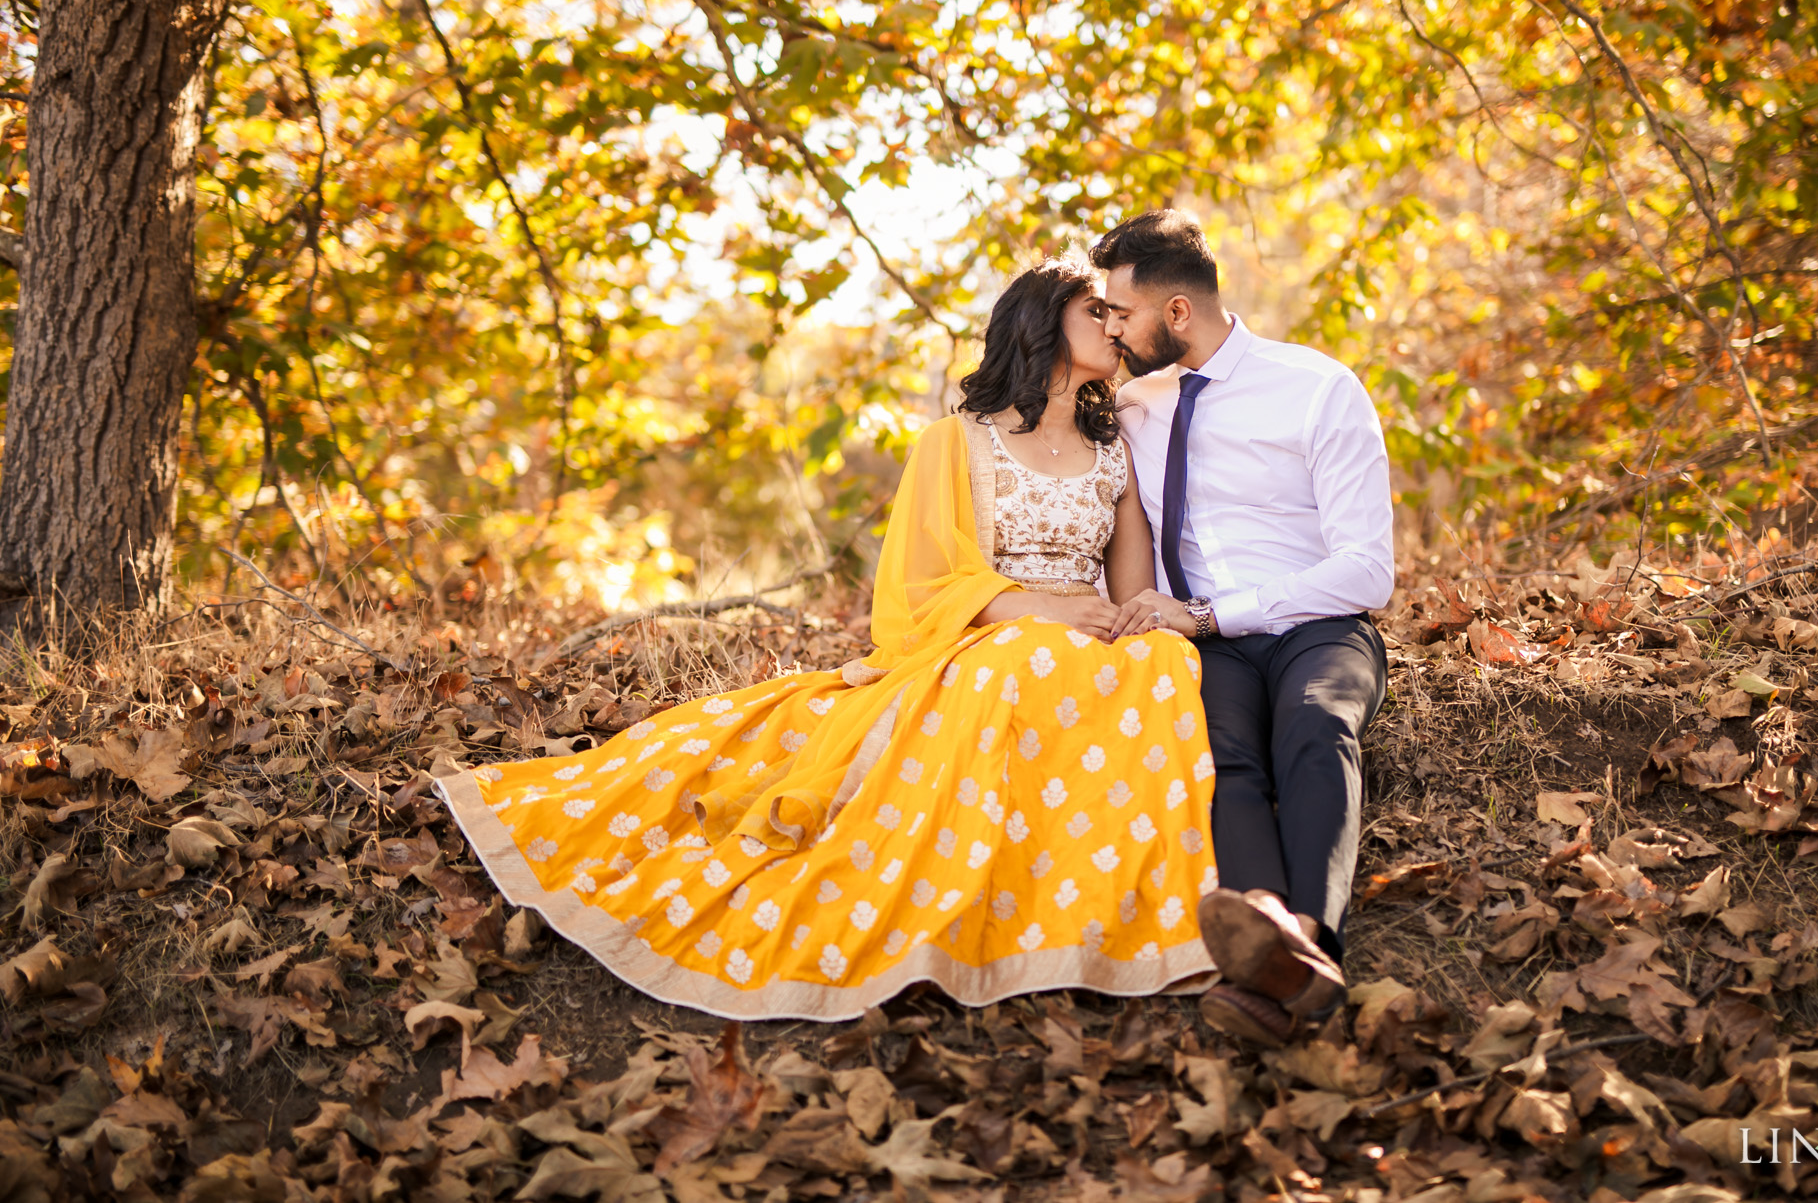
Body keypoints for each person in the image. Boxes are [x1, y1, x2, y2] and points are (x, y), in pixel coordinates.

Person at [435, 256, 1219, 1020]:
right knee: (1024, 659)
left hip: (1089, 638)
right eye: (1098, 312)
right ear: (1043, 322)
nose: (1117, 328)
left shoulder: (1112, 453)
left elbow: (1134, 587)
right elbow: (922, 584)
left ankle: (1110, 898)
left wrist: (1134, 619)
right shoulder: (958, 442)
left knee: (1159, 659)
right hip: (990, 635)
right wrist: (1037, 613)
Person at [1095, 210, 1393, 1047]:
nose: (1112, 331)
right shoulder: (1131, 406)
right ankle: (1266, 925)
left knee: (1314, 726)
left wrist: (1213, 612)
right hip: (1206, 644)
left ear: (1177, 313)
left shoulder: (1319, 387)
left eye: (1121, 314)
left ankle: (1307, 944)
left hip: (1316, 625)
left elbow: (1369, 568)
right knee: (1216, 751)